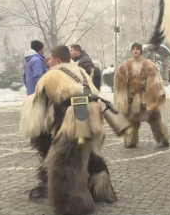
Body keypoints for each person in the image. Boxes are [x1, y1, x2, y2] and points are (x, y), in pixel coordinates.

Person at [20, 45, 131, 215]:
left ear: (57, 60)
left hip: (72, 122)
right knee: (92, 156)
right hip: (92, 117)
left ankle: (75, 203)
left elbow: (39, 105)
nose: (47, 61)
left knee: (66, 164)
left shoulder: (51, 76)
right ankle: (101, 192)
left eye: (49, 58)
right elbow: (94, 92)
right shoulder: (80, 72)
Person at [113, 42, 169, 148]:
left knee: (155, 119)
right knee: (131, 121)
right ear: (131, 51)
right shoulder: (124, 66)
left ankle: (162, 137)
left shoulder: (149, 66)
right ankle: (130, 141)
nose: (135, 50)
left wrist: (156, 95)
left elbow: (156, 82)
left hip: (146, 99)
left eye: (137, 49)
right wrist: (122, 99)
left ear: (140, 51)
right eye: (133, 49)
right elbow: (119, 83)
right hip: (131, 99)